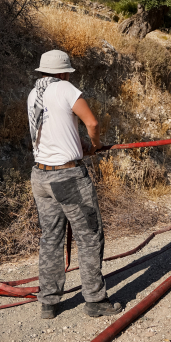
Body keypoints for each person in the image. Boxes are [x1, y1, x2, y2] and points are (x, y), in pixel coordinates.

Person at [27, 50, 123, 320]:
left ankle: (49, 302)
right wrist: (94, 145)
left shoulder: (34, 94)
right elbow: (91, 122)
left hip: (40, 176)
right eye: (68, 71)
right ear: (63, 72)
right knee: (89, 236)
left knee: (51, 238)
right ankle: (95, 299)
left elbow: (51, 132)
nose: (69, 75)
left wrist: (75, 143)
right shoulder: (66, 89)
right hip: (67, 178)